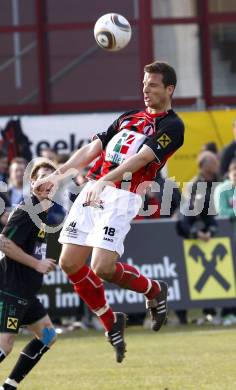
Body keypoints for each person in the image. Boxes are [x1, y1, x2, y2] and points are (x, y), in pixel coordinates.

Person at [35, 61, 185, 363]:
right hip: (95, 189)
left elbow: (142, 160)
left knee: (102, 267)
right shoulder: (128, 117)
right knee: (70, 263)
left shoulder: (173, 126)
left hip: (122, 194)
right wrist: (55, 176)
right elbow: (92, 149)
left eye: (153, 85)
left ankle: (155, 289)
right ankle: (110, 321)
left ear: (169, 89)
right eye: (144, 84)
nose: (146, 89)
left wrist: (103, 181)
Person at [0, 161, 57, 390]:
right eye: (42, 177)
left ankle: (9, 386)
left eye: (52, 177)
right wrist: (37, 264)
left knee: (48, 336)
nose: (48, 181)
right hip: (11, 288)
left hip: (26, 292)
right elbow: (3, 242)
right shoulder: (28, 209)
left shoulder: (44, 211)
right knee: (4, 344)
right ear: (33, 183)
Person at [177, 151, 220, 324]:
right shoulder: (195, 184)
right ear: (204, 165)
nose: (216, 164)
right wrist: (197, 231)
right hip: (195, 233)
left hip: (210, 230)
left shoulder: (219, 179)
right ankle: (190, 315)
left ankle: (212, 311)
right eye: (213, 162)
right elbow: (190, 210)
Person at [214, 158, 236, 325]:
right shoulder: (223, 189)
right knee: (230, 277)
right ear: (229, 173)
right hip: (229, 240)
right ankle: (227, 313)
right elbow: (222, 211)